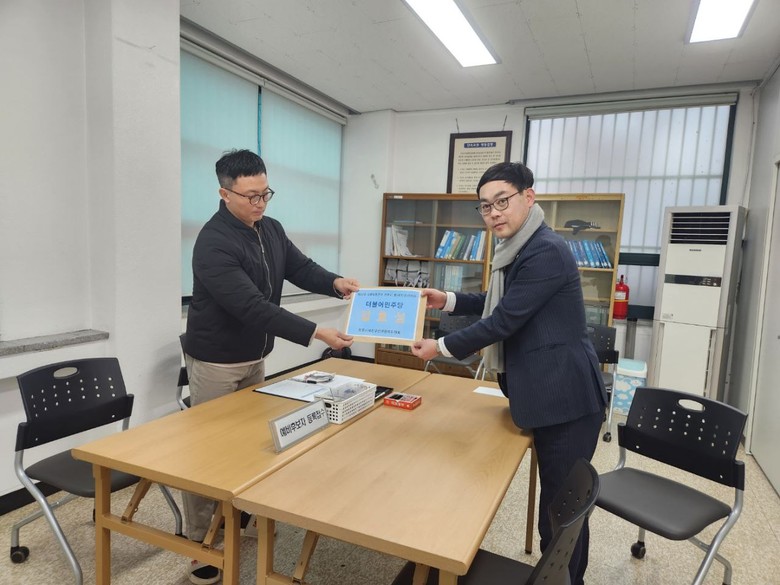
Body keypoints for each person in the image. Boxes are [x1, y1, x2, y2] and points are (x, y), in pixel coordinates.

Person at [411, 161, 606, 585]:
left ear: (528, 197)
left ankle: (565, 580)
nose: (494, 213)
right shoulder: (519, 247)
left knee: (562, 513)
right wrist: (447, 299)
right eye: (485, 206)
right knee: (556, 506)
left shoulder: (545, 250)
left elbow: (503, 321)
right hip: (542, 391)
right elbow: (495, 300)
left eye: (502, 201)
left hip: (566, 399)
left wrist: (439, 347)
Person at [183, 148, 359, 585]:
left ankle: (237, 516)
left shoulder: (270, 228)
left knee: (246, 442)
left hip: (255, 356)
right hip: (217, 360)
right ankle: (201, 544)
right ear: (224, 193)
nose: (260, 203)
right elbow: (251, 306)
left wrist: (335, 282)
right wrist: (316, 332)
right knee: (209, 452)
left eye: (265, 193)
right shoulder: (213, 243)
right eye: (250, 196)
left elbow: (299, 267)